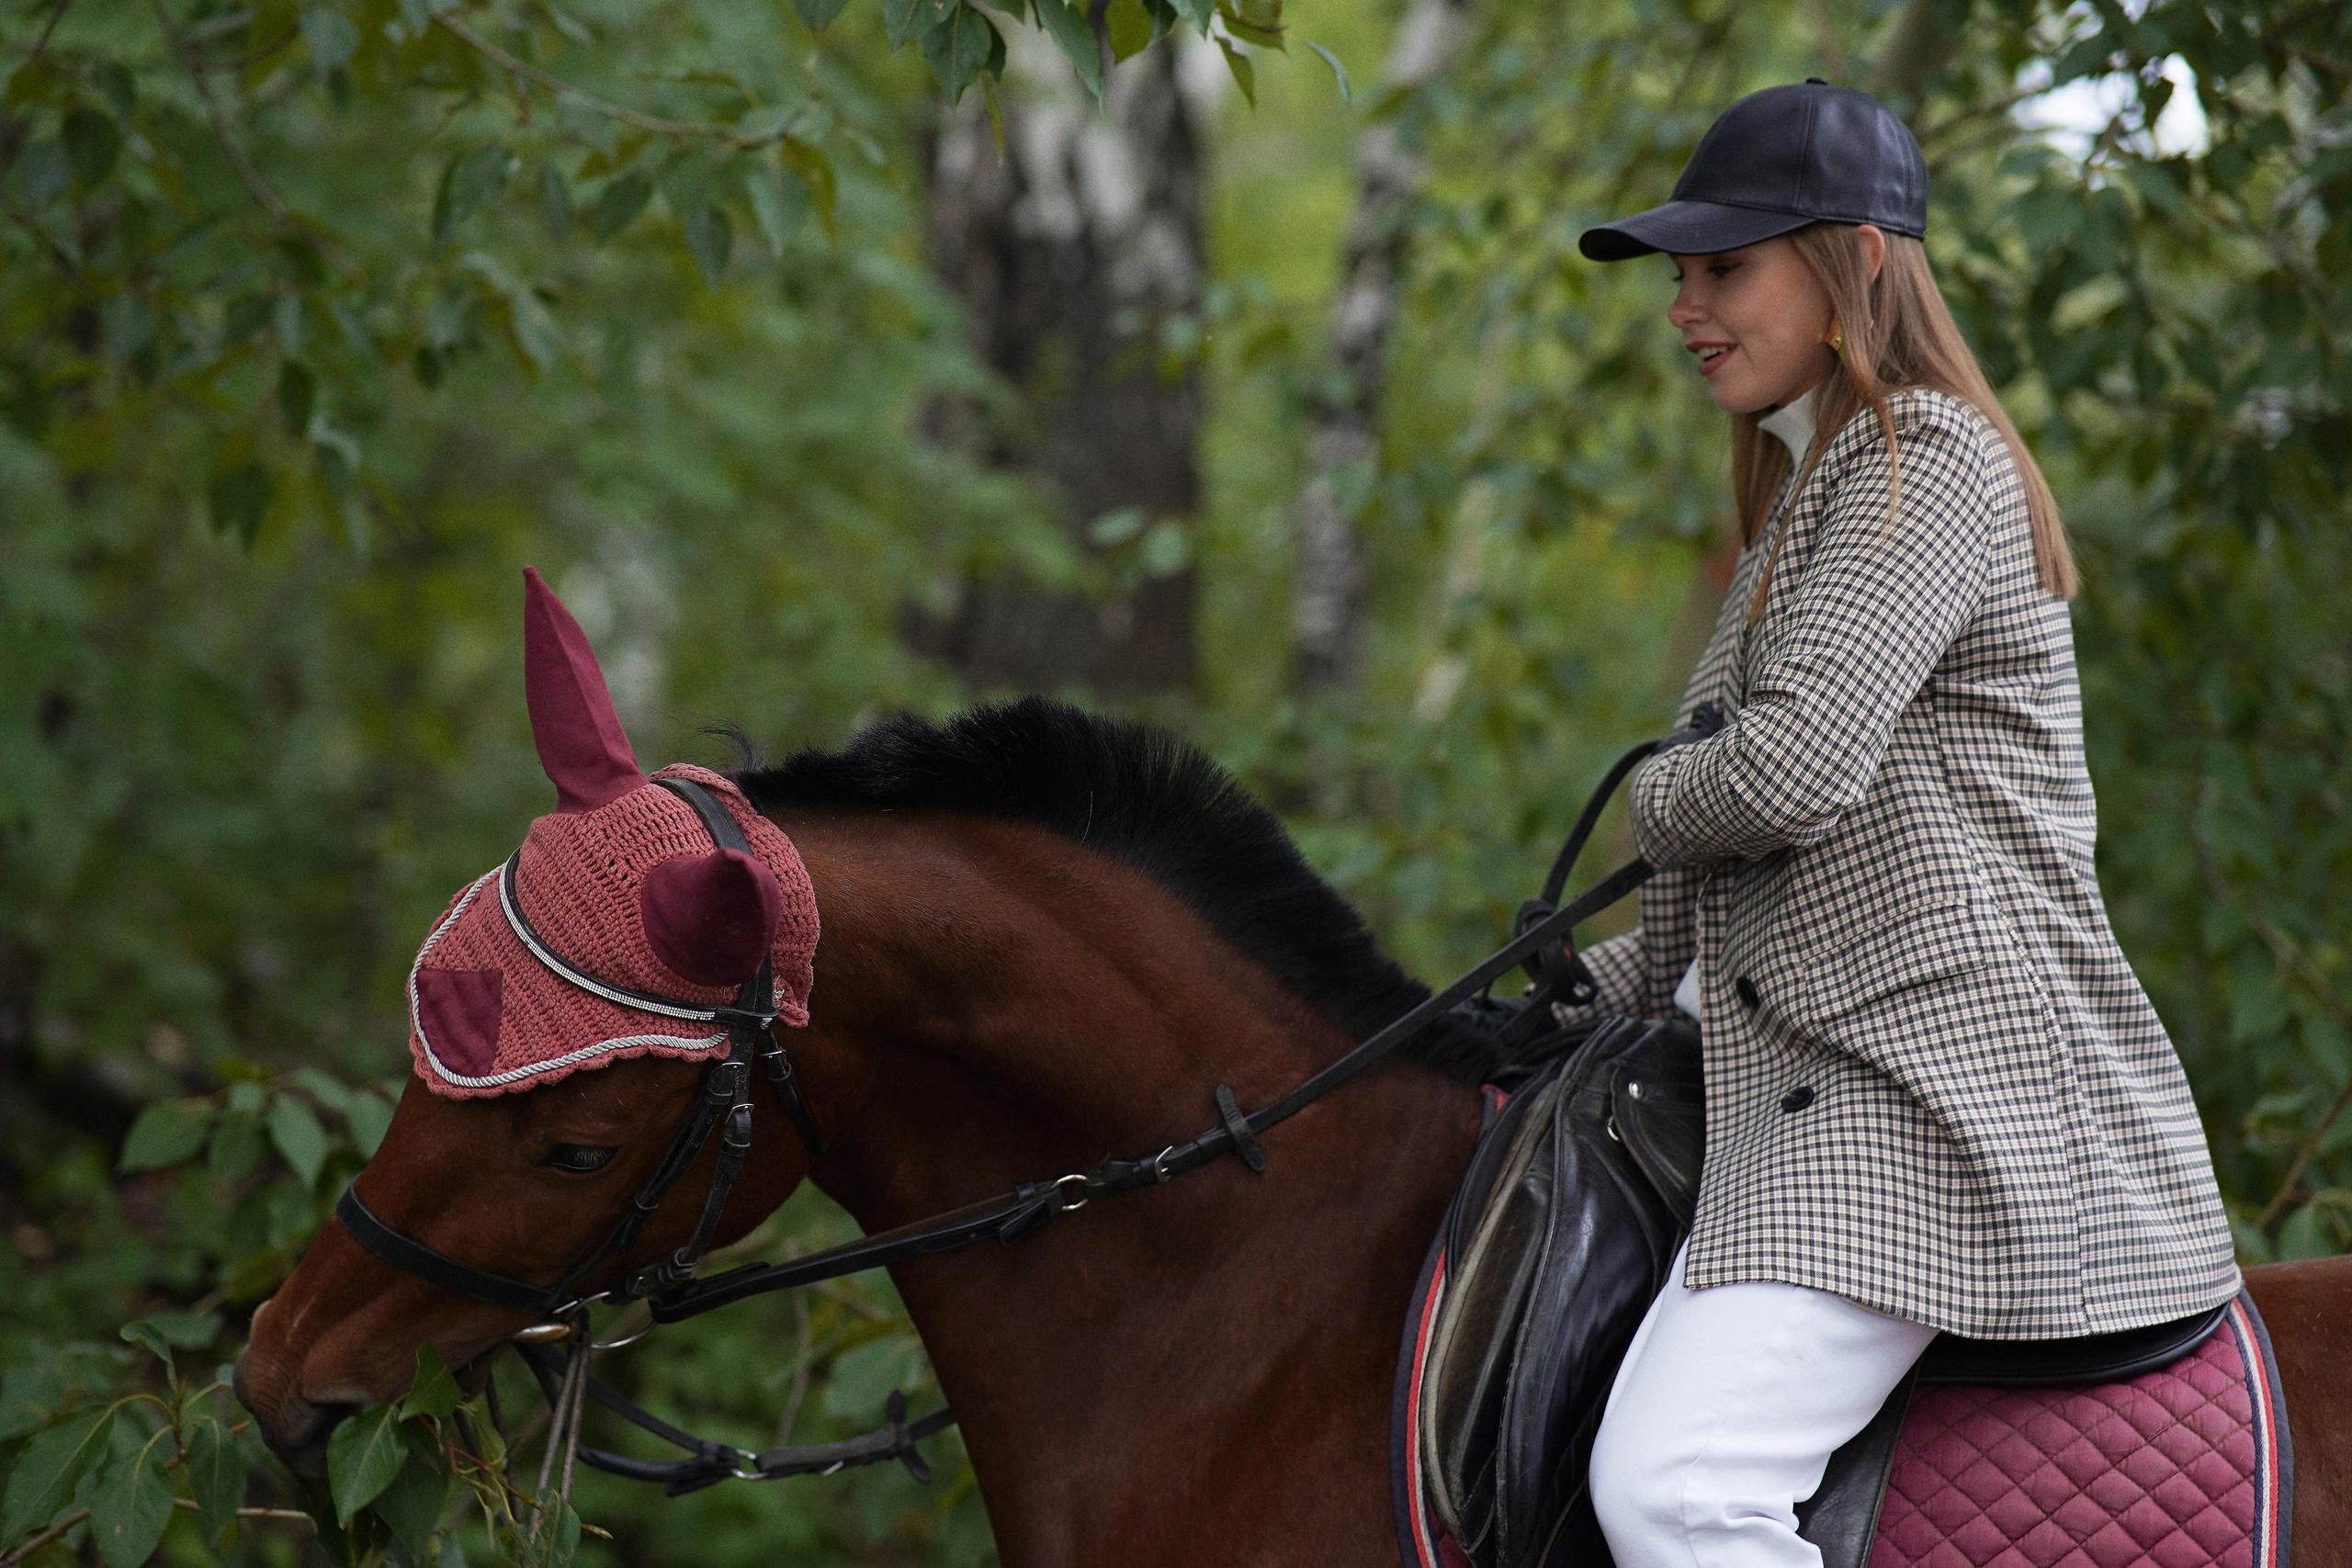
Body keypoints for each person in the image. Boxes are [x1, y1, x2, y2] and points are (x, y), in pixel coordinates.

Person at [1565, 80, 2241, 1568]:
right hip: (1814, 1086)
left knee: (1674, 1493)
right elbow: (1732, 898)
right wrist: (1570, 986)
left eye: (1723, 269)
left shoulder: (1920, 463)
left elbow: (1787, 776)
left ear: (1861, 261)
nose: (1686, 309)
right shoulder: (1808, 505)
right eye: (1681, 276)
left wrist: (1648, 793)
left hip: (1922, 1104)